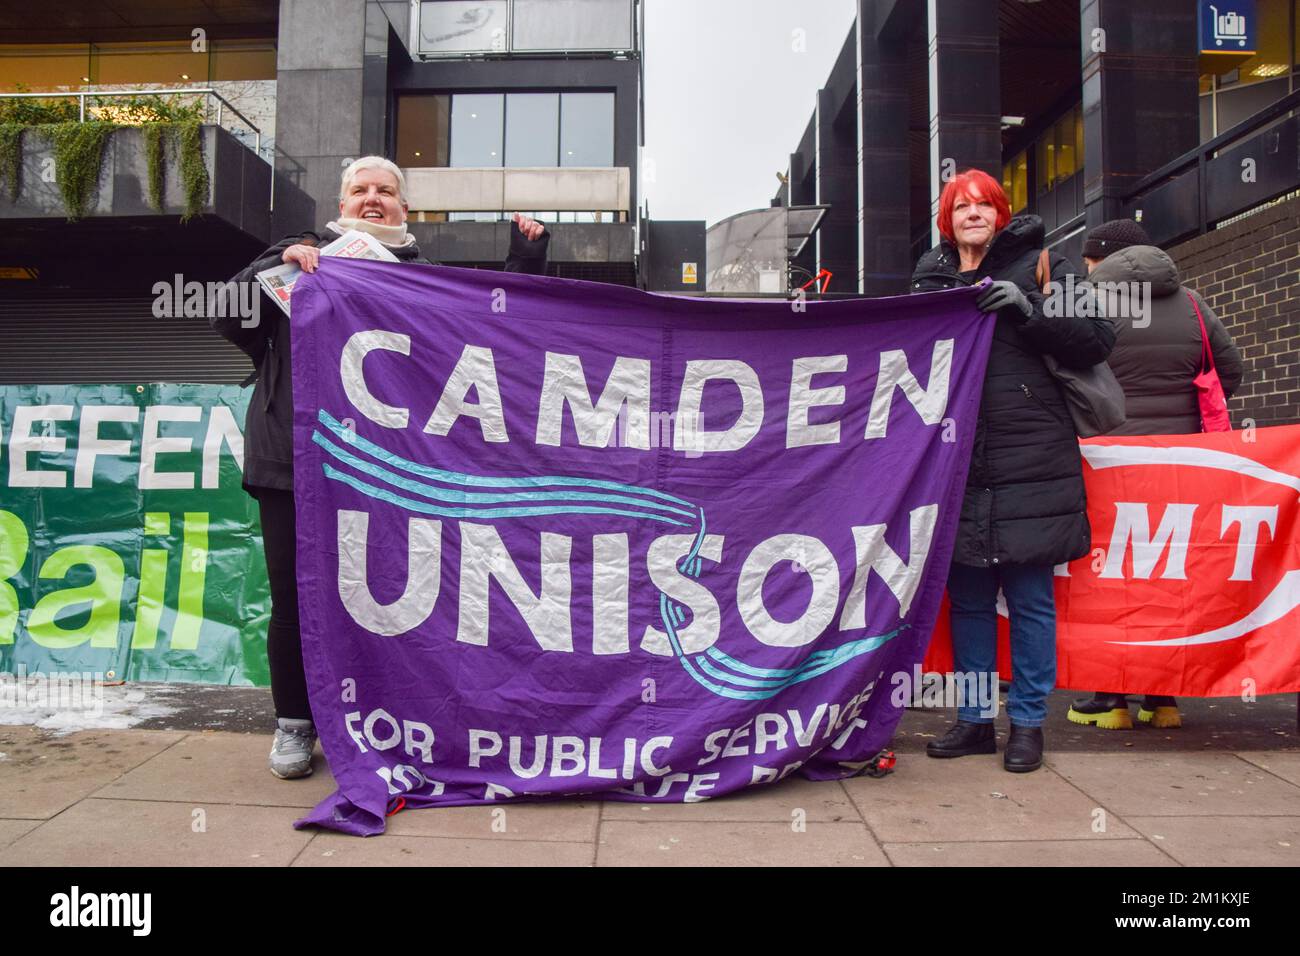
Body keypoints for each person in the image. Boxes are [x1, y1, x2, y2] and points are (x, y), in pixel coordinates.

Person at [210, 156, 549, 778]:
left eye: (385, 192)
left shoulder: (423, 278)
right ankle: (294, 724)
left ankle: (390, 717)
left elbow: (485, 336)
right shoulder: (302, 258)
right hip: (294, 462)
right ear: (341, 205)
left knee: (396, 599)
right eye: (360, 190)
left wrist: (525, 261)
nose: (372, 199)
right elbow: (226, 315)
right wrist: (277, 262)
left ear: (404, 208)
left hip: (391, 469)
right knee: (296, 598)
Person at [911, 169, 1116, 772]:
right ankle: (975, 721)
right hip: (956, 464)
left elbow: (1098, 338)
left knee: (1029, 601)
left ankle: (1027, 724)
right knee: (969, 602)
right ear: (946, 220)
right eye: (961, 205)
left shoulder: (1052, 265)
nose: (973, 213)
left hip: (1033, 459)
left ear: (1001, 213)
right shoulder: (929, 279)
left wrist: (1030, 311)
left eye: (985, 204)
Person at [1066, 218, 1243, 731]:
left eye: (1089, 258)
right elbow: (1228, 370)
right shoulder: (1192, 304)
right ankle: (1163, 698)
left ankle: (1110, 698)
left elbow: (1071, 373)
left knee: (1115, 574)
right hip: (1183, 464)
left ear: (1102, 260)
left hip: (1111, 461)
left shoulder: (1092, 303)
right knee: (1171, 573)